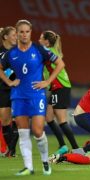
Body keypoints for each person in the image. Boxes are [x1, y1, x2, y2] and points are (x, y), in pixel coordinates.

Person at [0, 19, 65, 175]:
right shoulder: (11, 54)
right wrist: (9, 81)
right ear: (17, 33)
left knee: (37, 130)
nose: (24, 34)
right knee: (23, 131)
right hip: (18, 96)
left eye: (27, 31)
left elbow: (60, 64)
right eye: (20, 32)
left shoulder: (39, 50)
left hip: (36, 95)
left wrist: (48, 81)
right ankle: (28, 167)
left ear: (30, 33)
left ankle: (44, 162)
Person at [38, 30, 79, 156]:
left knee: (62, 120)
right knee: (49, 117)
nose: (39, 40)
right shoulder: (51, 51)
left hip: (60, 87)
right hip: (56, 88)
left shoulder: (48, 52)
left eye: (41, 38)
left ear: (47, 42)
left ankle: (77, 149)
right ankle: (63, 146)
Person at [0, 26, 18, 157]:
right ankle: (9, 151)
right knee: (5, 121)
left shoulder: (19, 52)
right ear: (5, 37)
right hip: (3, 89)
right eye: (13, 35)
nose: (16, 37)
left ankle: (11, 151)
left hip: (18, 90)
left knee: (19, 120)